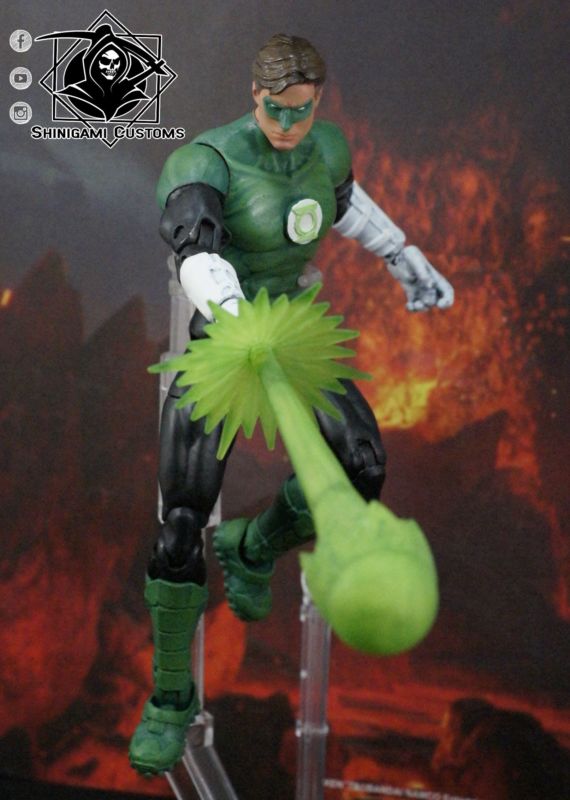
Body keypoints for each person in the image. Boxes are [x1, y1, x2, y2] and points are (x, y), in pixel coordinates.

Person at [129, 33, 454, 775]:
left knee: (362, 463)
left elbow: (344, 204)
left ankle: (254, 547)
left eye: (300, 111)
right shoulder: (208, 161)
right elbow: (194, 244)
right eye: (275, 109)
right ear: (255, 94)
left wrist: (403, 256)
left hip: (296, 333)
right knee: (180, 527)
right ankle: (170, 698)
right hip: (221, 341)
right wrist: (232, 310)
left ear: (317, 102)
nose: (286, 124)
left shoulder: (324, 148)